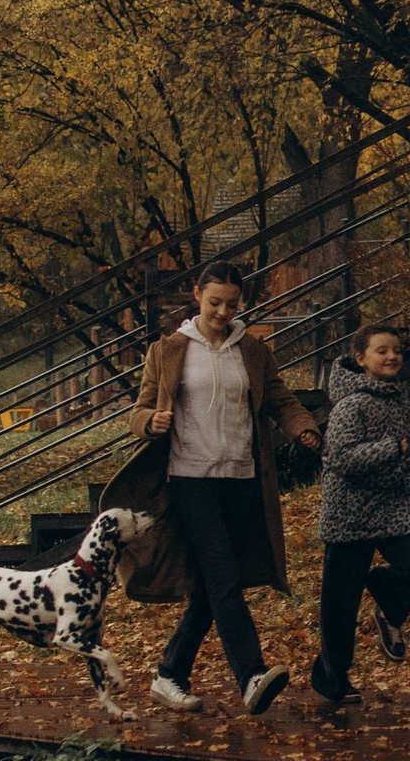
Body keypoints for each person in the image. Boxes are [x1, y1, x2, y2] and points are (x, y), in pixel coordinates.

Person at [117, 261, 322, 715]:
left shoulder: (252, 350)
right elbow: (138, 411)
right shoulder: (168, 350)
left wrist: (301, 427)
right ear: (197, 296)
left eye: (232, 304)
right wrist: (149, 421)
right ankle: (250, 675)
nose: (223, 312)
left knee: (215, 586)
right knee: (224, 576)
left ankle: (169, 675)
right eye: (215, 303)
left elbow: (279, 399)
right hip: (190, 478)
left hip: (242, 480)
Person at [310, 325, 410, 703]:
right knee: (340, 601)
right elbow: (340, 457)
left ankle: (387, 606)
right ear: (360, 359)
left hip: (391, 508)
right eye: (381, 351)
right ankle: (331, 680)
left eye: (396, 350)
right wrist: (389, 448)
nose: (392, 357)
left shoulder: (396, 398)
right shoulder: (351, 404)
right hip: (349, 514)